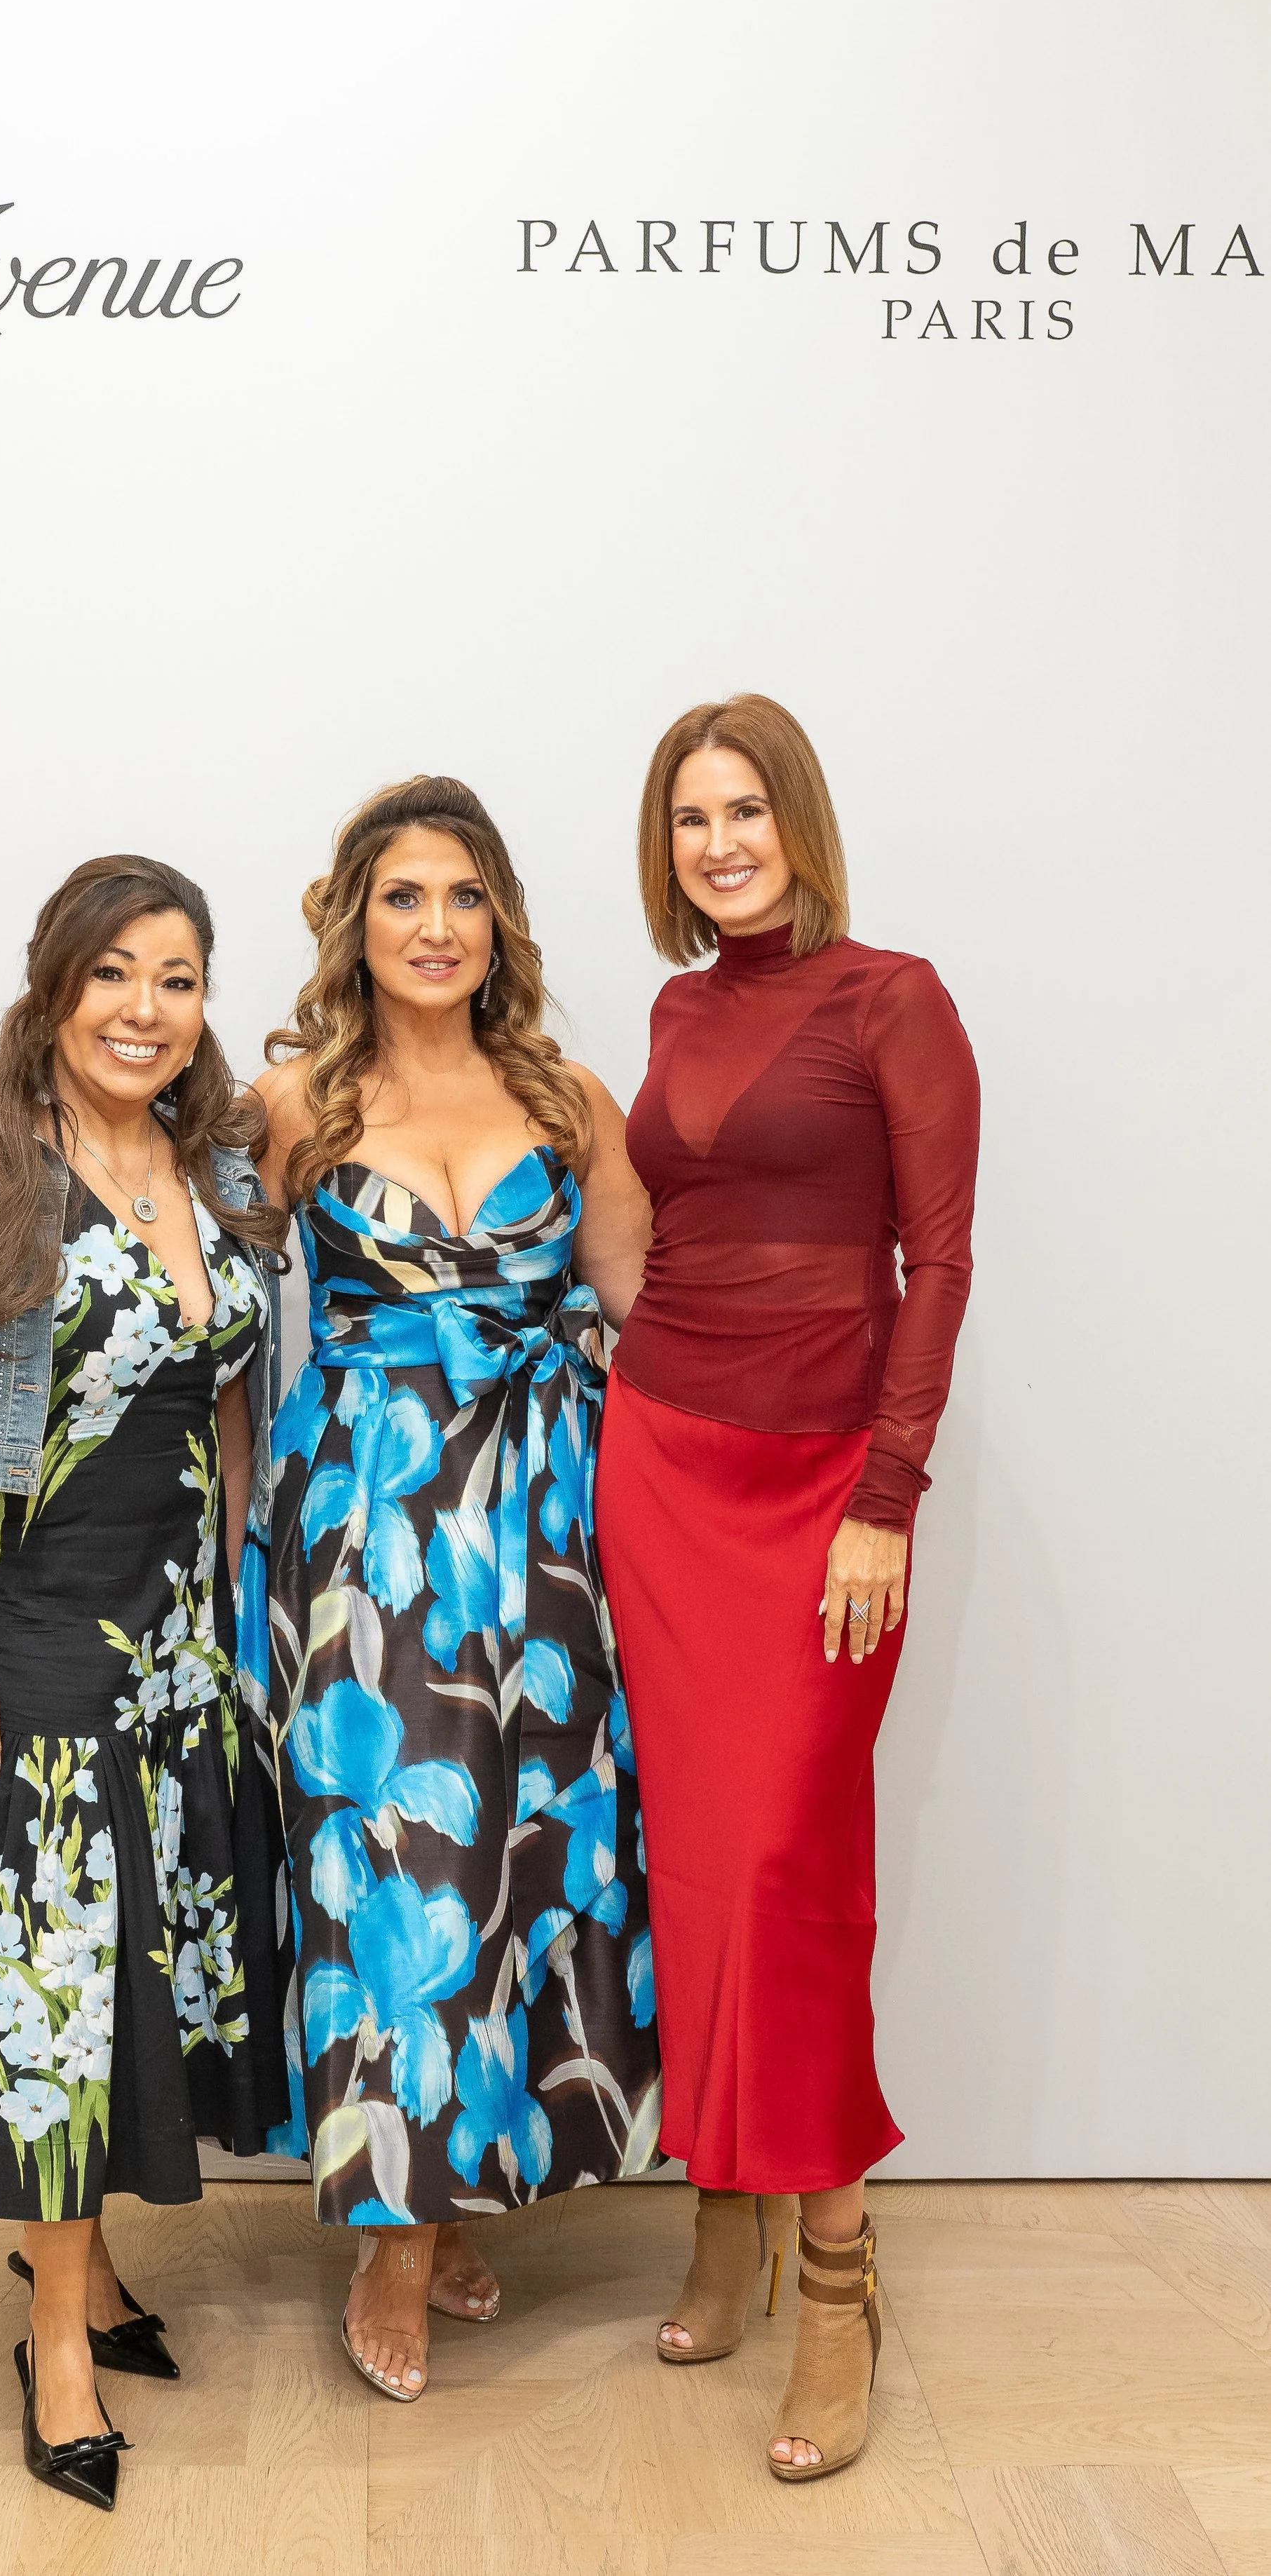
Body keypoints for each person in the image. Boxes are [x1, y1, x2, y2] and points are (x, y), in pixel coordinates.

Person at [0, 855, 292, 2512]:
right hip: (35, 1640)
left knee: (132, 1978)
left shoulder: (222, 1163)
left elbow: (233, 1407)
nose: (144, 1011)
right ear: (53, 983)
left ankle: (88, 2273)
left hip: (181, 1641)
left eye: (176, 979)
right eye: (114, 975)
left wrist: (251, 1630)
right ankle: (54, 2350)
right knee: (52, 1997)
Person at [595, 696, 981, 2481]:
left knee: (785, 1866)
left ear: (799, 820)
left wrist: (882, 1498)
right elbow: (647, 1233)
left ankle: (838, 2281)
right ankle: (725, 2212)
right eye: (688, 820)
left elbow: (939, 1257)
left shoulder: (890, 997)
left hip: (823, 1484)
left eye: (743, 810)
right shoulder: (678, 1008)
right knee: (688, 1855)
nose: (718, 842)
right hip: (661, 1462)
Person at [252, 777, 660, 2404]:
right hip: (365, 1509)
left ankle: (460, 2178)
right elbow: (198, 1300)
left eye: (463, 896)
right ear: (353, 919)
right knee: (389, 1845)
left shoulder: (567, 1096)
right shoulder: (288, 1103)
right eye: (402, 896)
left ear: (499, 924)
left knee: (525, 1838)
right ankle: (396, 2232)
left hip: (547, 1513)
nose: (434, 927)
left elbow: (645, 1305)